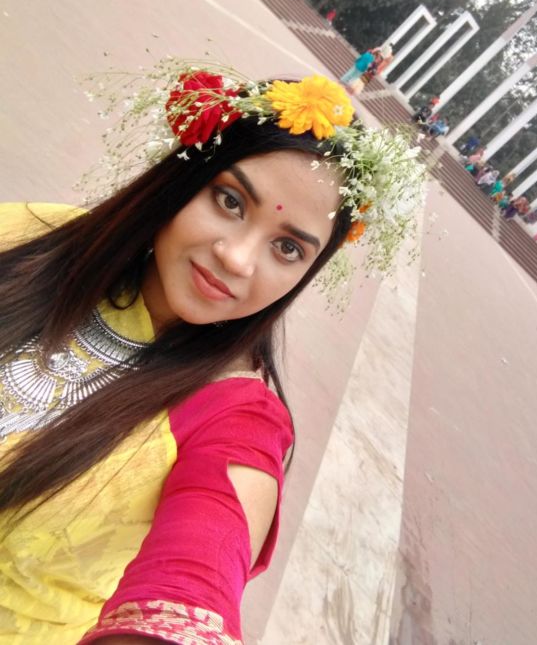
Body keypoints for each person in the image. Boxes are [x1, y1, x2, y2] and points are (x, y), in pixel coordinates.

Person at [0, 69, 425, 642]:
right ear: (185, 178)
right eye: (229, 200)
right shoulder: (37, 239)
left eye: (287, 247)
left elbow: (204, 562)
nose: (237, 258)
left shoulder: (234, 420)